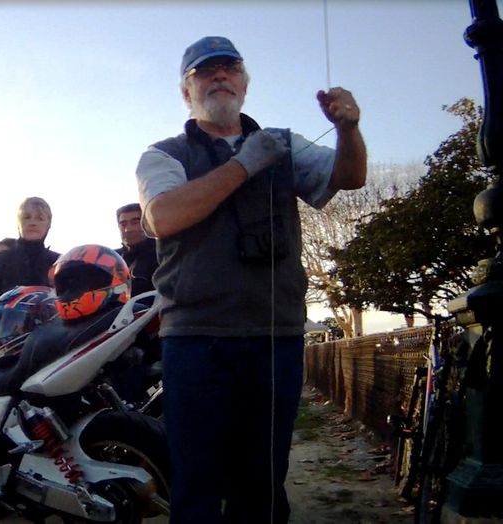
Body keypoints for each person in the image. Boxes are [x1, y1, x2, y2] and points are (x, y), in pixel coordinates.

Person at [135, 36, 366, 522]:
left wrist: (348, 129)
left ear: (244, 81)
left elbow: (351, 176)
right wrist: (243, 165)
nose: (219, 76)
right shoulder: (163, 154)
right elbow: (163, 216)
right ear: (186, 91)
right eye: (204, 71)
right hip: (195, 339)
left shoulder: (283, 144)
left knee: (261, 481)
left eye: (229, 68)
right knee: (195, 481)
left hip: (275, 337)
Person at [0, 197, 60, 327]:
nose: (32, 222)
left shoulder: (60, 264)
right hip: (5, 339)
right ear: (18, 222)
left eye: (40, 218)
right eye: (27, 217)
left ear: (49, 224)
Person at [114, 203, 158, 297]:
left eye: (135, 222)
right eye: (123, 224)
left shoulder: (162, 253)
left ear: (147, 223)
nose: (128, 229)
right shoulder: (111, 259)